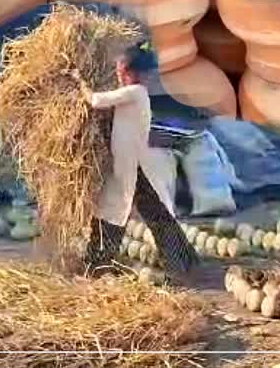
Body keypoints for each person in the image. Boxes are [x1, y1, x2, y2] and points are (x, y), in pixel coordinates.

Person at [81, 42, 200, 276]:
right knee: (150, 213)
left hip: (131, 166)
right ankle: (183, 261)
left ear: (134, 73)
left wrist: (78, 80)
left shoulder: (136, 92)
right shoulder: (133, 94)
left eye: (122, 68)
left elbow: (94, 100)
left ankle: (98, 261)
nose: (118, 73)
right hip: (131, 165)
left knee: (114, 211)